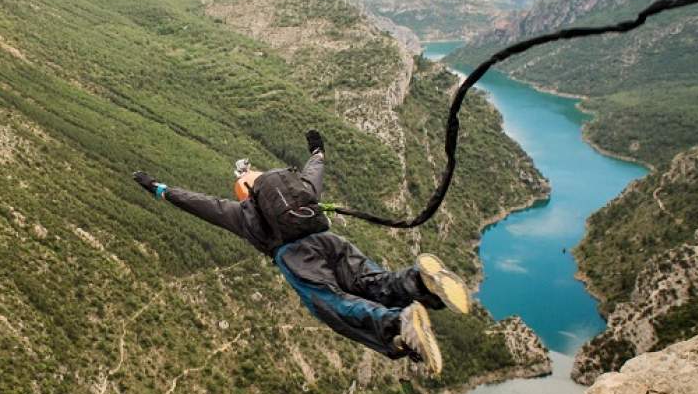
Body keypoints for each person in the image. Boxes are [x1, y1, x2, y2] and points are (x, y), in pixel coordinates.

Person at [132, 130, 469, 375]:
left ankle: (398, 323)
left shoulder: (241, 212)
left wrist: (157, 189)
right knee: (375, 282)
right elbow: (314, 171)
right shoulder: (300, 191)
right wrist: (318, 150)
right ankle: (420, 284)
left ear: (244, 194)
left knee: (333, 304)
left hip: (296, 256)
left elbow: (196, 202)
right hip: (330, 241)